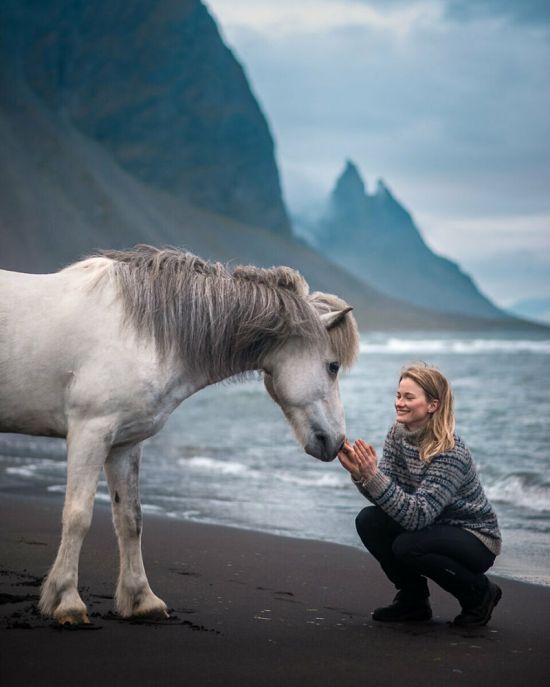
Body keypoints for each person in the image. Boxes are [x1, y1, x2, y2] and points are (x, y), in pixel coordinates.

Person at [338, 363, 502, 627]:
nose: (399, 403)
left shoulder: (450, 452)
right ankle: (412, 602)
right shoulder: (397, 434)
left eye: (408, 397)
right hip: (432, 528)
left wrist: (372, 476)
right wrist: (362, 475)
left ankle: (480, 593)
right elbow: (389, 499)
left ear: (432, 405)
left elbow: (417, 517)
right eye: (398, 395)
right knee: (369, 520)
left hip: (473, 537)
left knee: (407, 546)